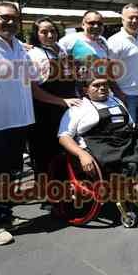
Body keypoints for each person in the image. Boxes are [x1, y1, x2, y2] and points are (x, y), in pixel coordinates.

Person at [0, 2, 73, 246]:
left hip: (19, 122)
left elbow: (32, 82)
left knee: (9, 174)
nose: (10, 22)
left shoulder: (18, 47)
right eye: (4, 17)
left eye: (14, 19)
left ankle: (5, 216)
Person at [57, 76, 138, 190]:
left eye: (104, 84)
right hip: (100, 146)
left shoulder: (116, 101)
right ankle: (133, 179)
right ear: (86, 90)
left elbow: (130, 124)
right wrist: (82, 154)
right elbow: (64, 136)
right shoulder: (77, 109)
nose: (102, 88)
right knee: (120, 159)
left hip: (123, 141)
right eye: (96, 85)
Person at [27, 18, 80, 193]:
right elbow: (33, 89)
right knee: (46, 154)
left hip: (65, 109)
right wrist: (62, 101)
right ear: (36, 35)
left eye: (53, 31)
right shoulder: (34, 55)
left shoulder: (61, 50)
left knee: (64, 150)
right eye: (44, 32)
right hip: (45, 112)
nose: (50, 35)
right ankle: (49, 195)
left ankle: (65, 189)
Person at [59, 10, 125, 100]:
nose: (96, 26)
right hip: (77, 95)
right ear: (83, 24)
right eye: (91, 23)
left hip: (99, 94)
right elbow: (57, 62)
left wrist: (117, 92)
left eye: (99, 24)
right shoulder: (69, 40)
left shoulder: (103, 41)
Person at [107, 4, 138, 129]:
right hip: (127, 95)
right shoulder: (114, 41)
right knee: (128, 132)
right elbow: (108, 69)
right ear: (122, 20)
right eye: (131, 18)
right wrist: (118, 93)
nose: (134, 21)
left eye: (137, 18)